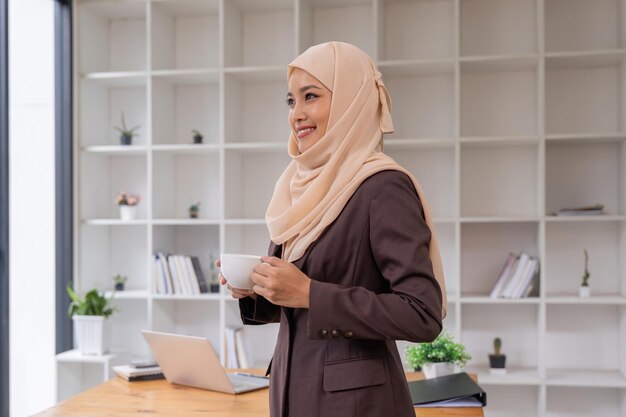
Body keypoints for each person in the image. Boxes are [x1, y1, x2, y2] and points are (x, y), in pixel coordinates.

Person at [218, 41, 447, 417]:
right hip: (292, 392)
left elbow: (422, 313)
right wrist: (258, 289)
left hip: (356, 405)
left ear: (350, 102)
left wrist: (310, 293)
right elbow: (297, 303)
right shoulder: (297, 187)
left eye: (311, 96)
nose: (297, 114)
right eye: (291, 101)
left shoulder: (382, 186)